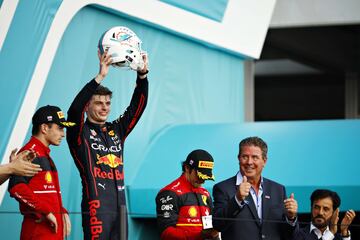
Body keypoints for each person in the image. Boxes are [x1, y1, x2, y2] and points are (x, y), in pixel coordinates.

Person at [66, 49, 148, 239]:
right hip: (97, 207)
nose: (105, 107)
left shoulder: (116, 130)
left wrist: (142, 76)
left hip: (121, 208)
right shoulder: (80, 133)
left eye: (108, 103)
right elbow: (74, 112)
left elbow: (137, 107)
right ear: (88, 106)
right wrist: (100, 77)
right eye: (99, 103)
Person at [212, 136, 298, 240]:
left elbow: (288, 234)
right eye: (245, 156)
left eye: (255, 157)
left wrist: (291, 218)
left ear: (264, 161)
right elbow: (217, 224)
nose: (249, 162)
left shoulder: (278, 190)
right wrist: (237, 199)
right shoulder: (223, 188)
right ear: (238, 158)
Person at [8, 105, 72, 240]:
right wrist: (46, 211)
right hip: (38, 232)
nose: (63, 134)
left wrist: (61, 211)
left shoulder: (43, 154)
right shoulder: (30, 153)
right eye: (60, 128)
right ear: (44, 128)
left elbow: (47, 194)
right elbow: (16, 187)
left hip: (50, 232)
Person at [155, 149, 220, 240]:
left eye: (205, 177)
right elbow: (166, 232)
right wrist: (198, 236)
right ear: (187, 168)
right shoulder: (169, 193)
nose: (202, 181)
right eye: (199, 175)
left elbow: (210, 228)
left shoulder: (205, 194)